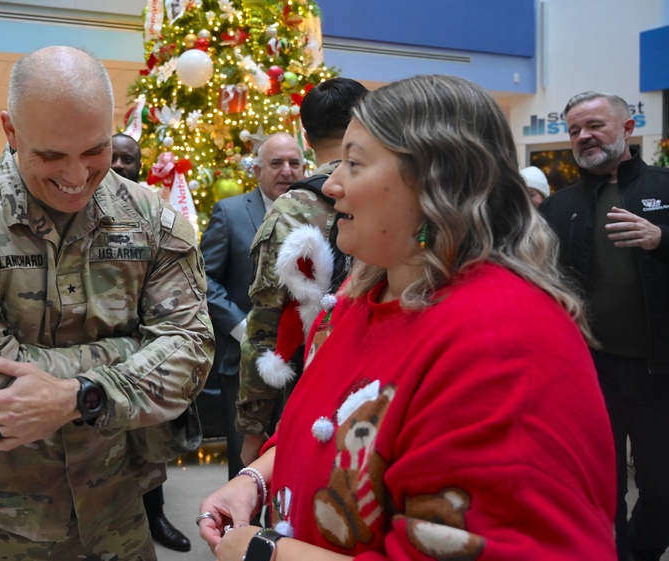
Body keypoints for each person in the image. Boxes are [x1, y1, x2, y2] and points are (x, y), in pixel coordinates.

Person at [198, 75, 616, 560]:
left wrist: (264, 554)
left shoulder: (503, 341)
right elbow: (324, 422)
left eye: (354, 163)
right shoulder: (361, 296)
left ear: (434, 183)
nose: (330, 184)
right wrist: (256, 478)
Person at [0, 46, 213, 560]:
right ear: (11, 131)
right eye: (51, 156)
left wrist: (81, 395)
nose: (76, 175)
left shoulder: (150, 219)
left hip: (115, 507)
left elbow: (191, 350)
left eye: (94, 151)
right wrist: (130, 350)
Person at [540, 91, 669, 561]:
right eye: (574, 130)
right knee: (599, 489)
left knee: (663, 491)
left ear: (628, 128)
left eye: (594, 125)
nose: (583, 136)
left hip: (660, 374)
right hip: (591, 375)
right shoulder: (557, 207)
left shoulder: (664, 187)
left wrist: (662, 238)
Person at [237, 77, 369, 467]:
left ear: (306, 138)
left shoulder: (290, 209)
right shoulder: (391, 190)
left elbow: (265, 323)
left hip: (308, 389)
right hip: (382, 378)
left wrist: (253, 426)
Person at [200, 132, 305, 480]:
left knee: (294, 458)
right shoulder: (230, 213)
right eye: (276, 163)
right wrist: (243, 328)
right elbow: (204, 278)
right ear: (257, 170)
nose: (286, 170)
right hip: (244, 363)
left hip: (302, 362)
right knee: (246, 463)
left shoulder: (318, 213)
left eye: (294, 163)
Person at [109, 131, 192, 553]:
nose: (119, 165)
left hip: (147, 353)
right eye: (113, 156)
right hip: (97, 355)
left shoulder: (156, 212)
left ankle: (154, 516)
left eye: (128, 159)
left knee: (147, 445)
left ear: (140, 165)